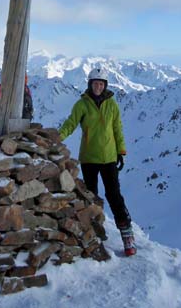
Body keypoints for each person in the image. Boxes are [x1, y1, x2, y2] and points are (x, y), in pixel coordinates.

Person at [58, 67, 136, 256]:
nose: (98, 87)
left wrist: (121, 151)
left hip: (109, 157)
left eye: (101, 84)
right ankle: (92, 235)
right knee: (91, 197)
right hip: (89, 158)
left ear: (105, 85)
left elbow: (117, 128)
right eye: (95, 83)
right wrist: (56, 138)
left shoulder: (112, 104)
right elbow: (70, 123)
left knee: (114, 196)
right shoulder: (82, 105)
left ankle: (127, 237)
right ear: (90, 84)